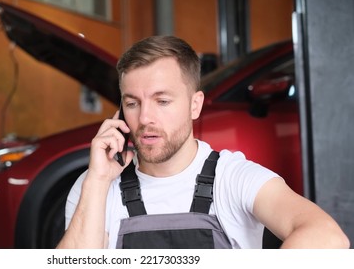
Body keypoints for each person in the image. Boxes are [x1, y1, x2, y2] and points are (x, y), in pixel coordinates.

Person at [56, 35, 350, 249]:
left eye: (162, 101)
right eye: (132, 103)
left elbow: (327, 236)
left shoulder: (232, 177)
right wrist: (97, 182)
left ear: (195, 105)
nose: (145, 118)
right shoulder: (94, 187)